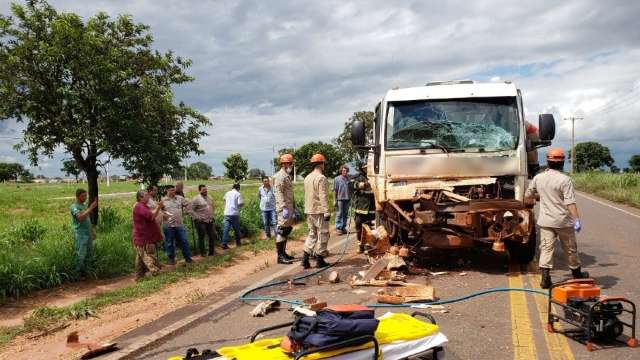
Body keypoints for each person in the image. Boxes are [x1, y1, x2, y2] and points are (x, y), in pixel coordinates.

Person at [525, 148, 588, 289]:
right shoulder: (565, 180)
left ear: (548, 161)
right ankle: (577, 275)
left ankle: (545, 279)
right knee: (570, 249)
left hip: (546, 221)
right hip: (563, 221)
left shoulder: (538, 177)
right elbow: (570, 202)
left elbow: (528, 195)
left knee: (546, 248)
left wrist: (540, 196)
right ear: (562, 163)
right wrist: (576, 219)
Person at [303, 153, 331, 269]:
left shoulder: (307, 177)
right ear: (321, 164)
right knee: (323, 234)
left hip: (309, 210)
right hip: (319, 210)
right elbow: (322, 196)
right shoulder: (321, 178)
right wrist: (326, 211)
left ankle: (305, 259)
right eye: (324, 163)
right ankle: (320, 259)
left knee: (312, 234)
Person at [133, 190, 163, 280]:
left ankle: (139, 276)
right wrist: (159, 207)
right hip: (145, 237)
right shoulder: (139, 206)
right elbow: (152, 216)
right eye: (146, 195)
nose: (148, 196)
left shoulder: (142, 206)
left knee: (140, 257)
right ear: (140, 198)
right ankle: (155, 271)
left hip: (142, 237)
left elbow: (150, 215)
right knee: (149, 255)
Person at [161, 185, 193, 265]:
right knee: (169, 243)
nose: (173, 191)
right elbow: (159, 211)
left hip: (179, 224)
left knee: (184, 241)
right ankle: (171, 259)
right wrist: (163, 215)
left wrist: (186, 211)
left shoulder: (179, 198)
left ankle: (187, 257)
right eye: (171, 190)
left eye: (174, 190)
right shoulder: (162, 200)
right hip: (168, 225)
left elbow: (188, 204)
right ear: (167, 191)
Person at [273, 154, 296, 264]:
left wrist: (293, 207)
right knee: (282, 231)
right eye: (290, 163)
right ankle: (280, 256)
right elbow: (278, 193)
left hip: (289, 207)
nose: (291, 165)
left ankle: (283, 253)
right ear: (284, 164)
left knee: (286, 230)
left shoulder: (287, 176)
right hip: (284, 208)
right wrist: (283, 208)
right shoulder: (279, 176)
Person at [70, 189, 98, 278]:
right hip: (81, 234)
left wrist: (92, 231)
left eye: (86, 196)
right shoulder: (74, 207)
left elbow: (87, 219)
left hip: (88, 233)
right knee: (80, 255)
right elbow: (80, 218)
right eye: (83, 196)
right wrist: (91, 207)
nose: (85, 198)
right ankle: (76, 275)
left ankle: (88, 273)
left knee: (89, 254)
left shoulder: (84, 206)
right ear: (77, 196)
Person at [352, 163, 376, 253]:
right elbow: (352, 186)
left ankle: (368, 245)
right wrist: (363, 185)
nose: (367, 169)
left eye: (368, 167)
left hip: (371, 206)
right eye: (365, 167)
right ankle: (360, 245)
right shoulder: (358, 177)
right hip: (360, 206)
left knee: (370, 227)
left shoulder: (374, 175)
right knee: (359, 226)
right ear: (362, 168)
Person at [191, 184, 217, 256]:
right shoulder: (196, 199)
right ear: (199, 190)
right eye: (203, 190)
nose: (205, 191)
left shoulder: (209, 197)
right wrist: (197, 218)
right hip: (200, 221)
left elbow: (212, 206)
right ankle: (203, 253)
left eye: (206, 189)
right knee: (201, 237)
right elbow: (190, 210)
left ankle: (211, 252)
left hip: (209, 220)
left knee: (212, 236)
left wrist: (213, 215)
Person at [222, 183, 244, 249]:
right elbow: (240, 203)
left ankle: (224, 243)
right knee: (236, 229)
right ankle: (238, 243)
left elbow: (224, 200)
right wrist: (242, 205)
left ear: (232, 187)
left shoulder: (227, 193)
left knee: (226, 229)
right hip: (234, 213)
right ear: (238, 188)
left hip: (226, 213)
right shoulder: (238, 194)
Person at [333, 165, 352, 234]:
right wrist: (334, 200)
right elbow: (335, 190)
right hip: (340, 199)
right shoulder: (337, 179)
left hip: (347, 199)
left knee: (345, 214)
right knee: (339, 213)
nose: (345, 172)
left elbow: (351, 189)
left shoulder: (349, 179)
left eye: (346, 171)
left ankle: (343, 227)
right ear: (341, 171)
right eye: (344, 170)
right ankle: (338, 228)